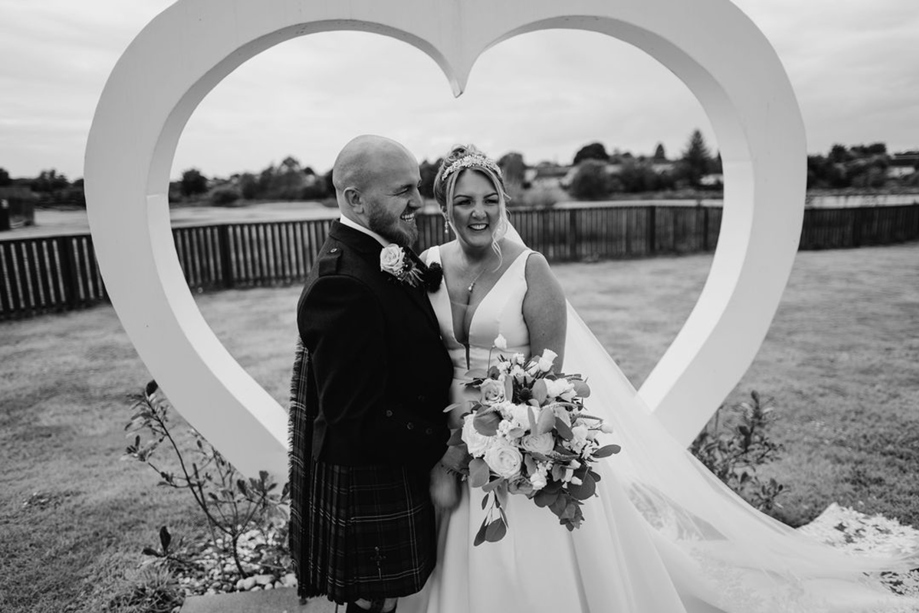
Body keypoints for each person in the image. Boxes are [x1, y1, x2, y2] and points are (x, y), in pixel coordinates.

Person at [400, 145, 919, 613]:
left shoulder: (531, 269)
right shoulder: (426, 266)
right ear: (444, 207)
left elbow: (549, 370)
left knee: (534, 549)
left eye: (489, 199)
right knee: (456, 543)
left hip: (519, 430)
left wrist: (508, 429)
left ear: (503, 202)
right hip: (445, 438)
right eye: (464, 201)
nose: (478, 212)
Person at [288, 135, 455, 613]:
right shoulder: (342, 282)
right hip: (372, 465)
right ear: (355, 199)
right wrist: (442, 447)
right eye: (403, 190)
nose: (418, 203)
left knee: (382, 601)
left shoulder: (376, 252)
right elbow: (354, 415)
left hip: (392, 456)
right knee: (371, 603)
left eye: (416, 187)